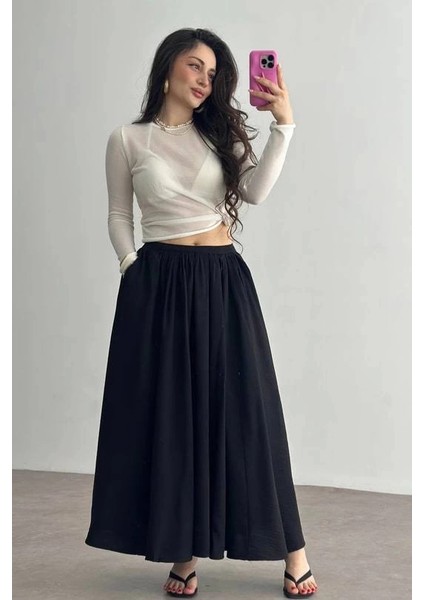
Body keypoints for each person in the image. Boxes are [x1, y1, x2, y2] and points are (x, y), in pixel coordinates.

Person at [84, 27, 318, 599]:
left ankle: (294, 552)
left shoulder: (217, 135)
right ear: (167, 69)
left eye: (212, 74)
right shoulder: (127, 139)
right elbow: (119, 214)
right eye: (194, 66)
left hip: (222, 281)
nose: (203, 80)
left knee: (250, 414)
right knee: (173, 418)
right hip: (158, 286)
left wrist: (283, 126)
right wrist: (131, 265)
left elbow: (255, 192)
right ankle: (184, 554)